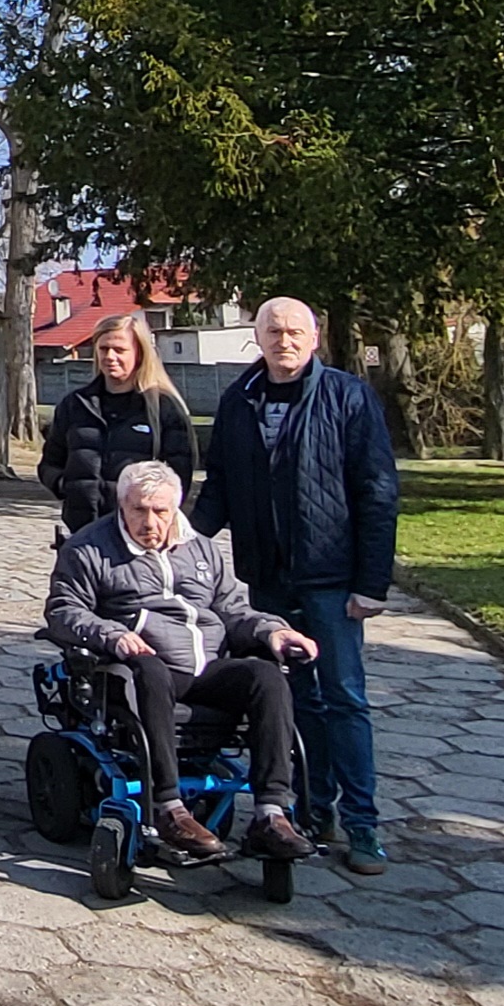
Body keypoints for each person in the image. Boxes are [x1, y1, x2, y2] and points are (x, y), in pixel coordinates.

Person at [193, 296, 399, 874]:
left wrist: (372, 582)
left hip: (333, 581)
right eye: (273, 331)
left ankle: (363, 827)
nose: (284, 341)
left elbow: (378, 491)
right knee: (293, 699)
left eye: (294, 332)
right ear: (256, 338)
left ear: (314, 337)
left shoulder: (347, 396)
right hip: (270, 581)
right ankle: (312, 812)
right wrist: (172, 544)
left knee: (344, 699)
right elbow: (221, 490)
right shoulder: (240, 401)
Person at [48, 461, 320, 865]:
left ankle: (271, 813)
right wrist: (114, 635)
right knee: (149, 667)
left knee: (266, 676)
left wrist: (271, 631)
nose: (149, 521)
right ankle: (169, 806)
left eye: (160, 511)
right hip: (138, 669)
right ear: (122, 505)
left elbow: (233, 608)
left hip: (205, 666)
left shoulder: (202, 549)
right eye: (139, 509)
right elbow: (62, 610)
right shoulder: (90, 549)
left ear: (176, 508)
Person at [37, 313, 199, 534]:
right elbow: (49, 464)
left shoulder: (163, 410)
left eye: (120, 350)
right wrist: (69, 486)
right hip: (83, 532)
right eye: (103, 349)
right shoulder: (75, 405)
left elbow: (179, 479)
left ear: (139, 354)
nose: (110, 356)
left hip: (139, 535)